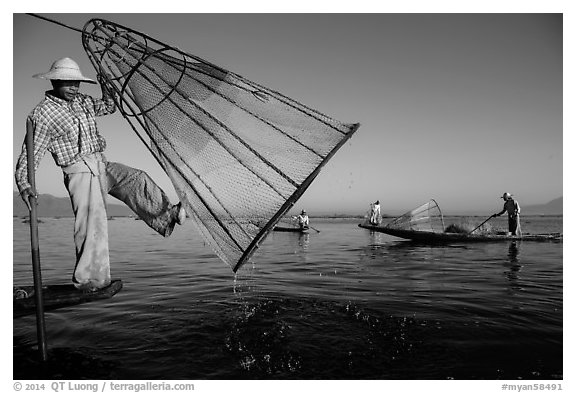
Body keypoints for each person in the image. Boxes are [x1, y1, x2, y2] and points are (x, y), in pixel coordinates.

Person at [15, 57, 187, 291]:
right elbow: (31, 153)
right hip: (78, 170)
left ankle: (168, 214)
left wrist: (106, 87)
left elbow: (108, 107)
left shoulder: (82, 101)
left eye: (77, 83)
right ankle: (89, 279)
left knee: (137, 178)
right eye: (68, 83)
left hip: (99, 163)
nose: (74, 88)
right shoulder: (43, 113)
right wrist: (25, 184)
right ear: (55, 81)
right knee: (92, 224)